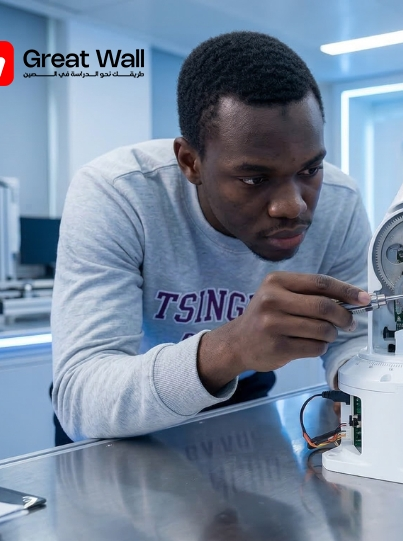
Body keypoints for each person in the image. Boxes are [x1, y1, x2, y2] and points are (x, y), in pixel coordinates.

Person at [51, 31, 371, 442]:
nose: (293, 206)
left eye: (310, 170)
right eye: (254, 178)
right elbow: (82, 401)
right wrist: (230, 349)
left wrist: (381, 381)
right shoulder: (117, 192)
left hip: (245, 397)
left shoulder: (340, 202)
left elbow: (358, 340)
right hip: (118, 421)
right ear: (190, 161)